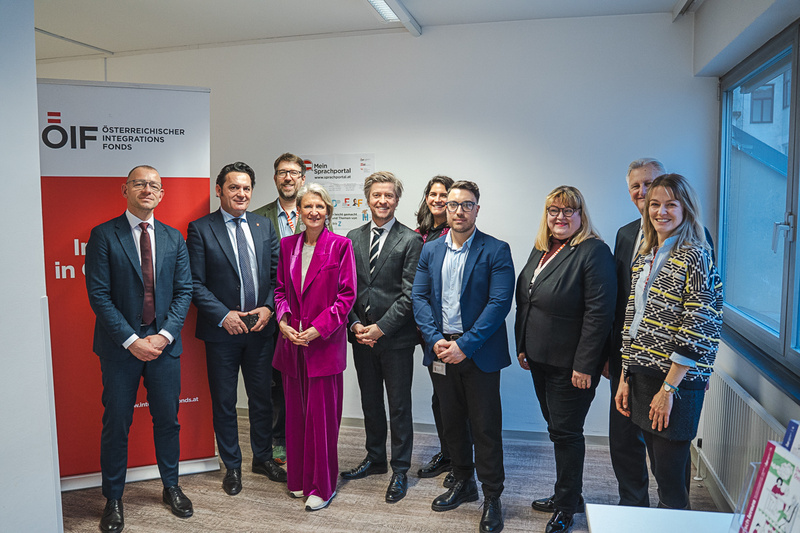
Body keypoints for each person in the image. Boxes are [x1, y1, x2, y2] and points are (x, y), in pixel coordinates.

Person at [85, 165, 193, 533]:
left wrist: (164, 336)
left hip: (164, 347)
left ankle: (171, 487)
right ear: (125, 189)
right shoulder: (104, 235)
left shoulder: (173, 238)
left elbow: (184, 291)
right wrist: (132, 341)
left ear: (161, 194)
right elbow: (98, 295)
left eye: (154, 185)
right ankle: (113, 498)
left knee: (168, 421)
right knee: (117, 423)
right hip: (121, 349)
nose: (147, 189)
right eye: (139, 184)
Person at [605, 158, 714, 507]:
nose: (660, 211)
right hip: (642, 373)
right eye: (655, 204)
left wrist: (669, 388)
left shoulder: (696, 254)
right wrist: (625, 375)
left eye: (670, 204)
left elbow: (699, 324)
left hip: (673, 380)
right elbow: (632, 319)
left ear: (685, 208)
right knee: (653, 462)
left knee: (669, 478)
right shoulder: (646, 255)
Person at [412, 180, 514, 533]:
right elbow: (419, 298)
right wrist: (435, 340)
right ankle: (463, 482)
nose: (459, 211)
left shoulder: (496, 249)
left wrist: (464, 346)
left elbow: (499, 304)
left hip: (478, 354)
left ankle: (492, 496)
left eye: (467, 205)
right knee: (452, 423)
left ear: (477, 209)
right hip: (442, 351)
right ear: (445, 208)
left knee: (485, 428)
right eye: (453, 204)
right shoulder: (431, 250)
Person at [515, 185, 616, 533]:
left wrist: (585, 365)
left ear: (580, 215)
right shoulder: (543, 248)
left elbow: (599, 314)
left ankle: (566, 506)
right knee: (557, 430)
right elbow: (528, 299)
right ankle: (569, 494)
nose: (560, 217)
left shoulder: (594, 252)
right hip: (540, 358)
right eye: (553, 210)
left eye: (568, 210)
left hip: (571, 365)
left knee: (567, 433)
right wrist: (523, 345)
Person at [186, 161, 285, 497]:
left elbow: (276, 276)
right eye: (234, 187)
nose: (241, 193)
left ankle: (262, 458)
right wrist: (222, 315)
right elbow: (194, 283)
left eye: (246, 188)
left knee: (262, 400)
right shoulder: (201, 229)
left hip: (260, 330)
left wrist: (269, 307)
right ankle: (232, 466)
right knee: (225, 402)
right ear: (219, 190)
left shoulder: (263, 225)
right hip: (222, 334)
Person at [272, 183, 357, 511]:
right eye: (308, 206)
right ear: (299, 211)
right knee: (295, 417)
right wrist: (283, 322)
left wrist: (316, 330)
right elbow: (280, 290)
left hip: (323, 347)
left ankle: (322, 485)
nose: (314, 211)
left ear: (328, 211)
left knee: (321, 421)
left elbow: (346, 297)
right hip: (291, 345)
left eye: (320, 206)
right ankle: (298, 479)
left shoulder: (341, 246)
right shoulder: (287, 245)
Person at [340, 172, 423, 503]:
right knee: (370, 401)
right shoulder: (352, 238)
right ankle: (375, 458)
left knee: (399, 406)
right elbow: (346, 289)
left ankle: (400, 469)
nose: (382, 201)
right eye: (377, 195)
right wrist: (354, 325)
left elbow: (410, 295)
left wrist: (381, 328)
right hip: (361, 337)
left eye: (388, 195)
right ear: (367, 198)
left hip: (395, 340)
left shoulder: (411, 240)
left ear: (397, 200)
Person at [253, 152, 307, 464]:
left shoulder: (313, 212)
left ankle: (303, 435)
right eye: (282, 172)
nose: (288, 178)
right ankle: (279, 439)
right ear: (275, 178)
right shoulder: (257, 216)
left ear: (302, 178)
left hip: (306, 312)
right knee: (274, 380)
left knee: (304, 378)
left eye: (294, 172)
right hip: (271, 310)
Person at [413, 175, 463, 486]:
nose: (438, 199)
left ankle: (460, 461)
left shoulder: (456, 235)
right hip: (427, 333)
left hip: (451, 334)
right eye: (432, 194)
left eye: (444, 195)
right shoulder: (419, 234)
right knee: (440, 397)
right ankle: (448, 453)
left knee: (456, 401)